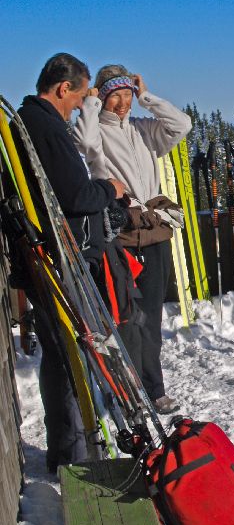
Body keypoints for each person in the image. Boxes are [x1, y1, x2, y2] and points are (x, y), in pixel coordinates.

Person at [14, 53, 129, 473]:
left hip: (46, 255)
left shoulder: (28, 122)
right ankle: (70, 452)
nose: (80, 106)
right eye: (79, 98)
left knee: (62, 356)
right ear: (64, 88)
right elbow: (76, 196)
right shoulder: (45, 126)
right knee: (67, 358)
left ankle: (68, 447)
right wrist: (110, 189)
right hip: (55, 258)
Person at [73, 66, 192, 415]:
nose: (123, 103)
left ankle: (154, 389)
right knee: (125, 319)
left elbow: (182, 125)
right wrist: (91, 106)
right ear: (103, 95)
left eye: (127, 95)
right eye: (116, 95)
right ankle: (130, 393)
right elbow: (83, 142)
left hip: (153, 233)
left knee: (151, 317)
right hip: (119, 233)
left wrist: (146, 97)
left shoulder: (144, 130)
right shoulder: (98, 132)